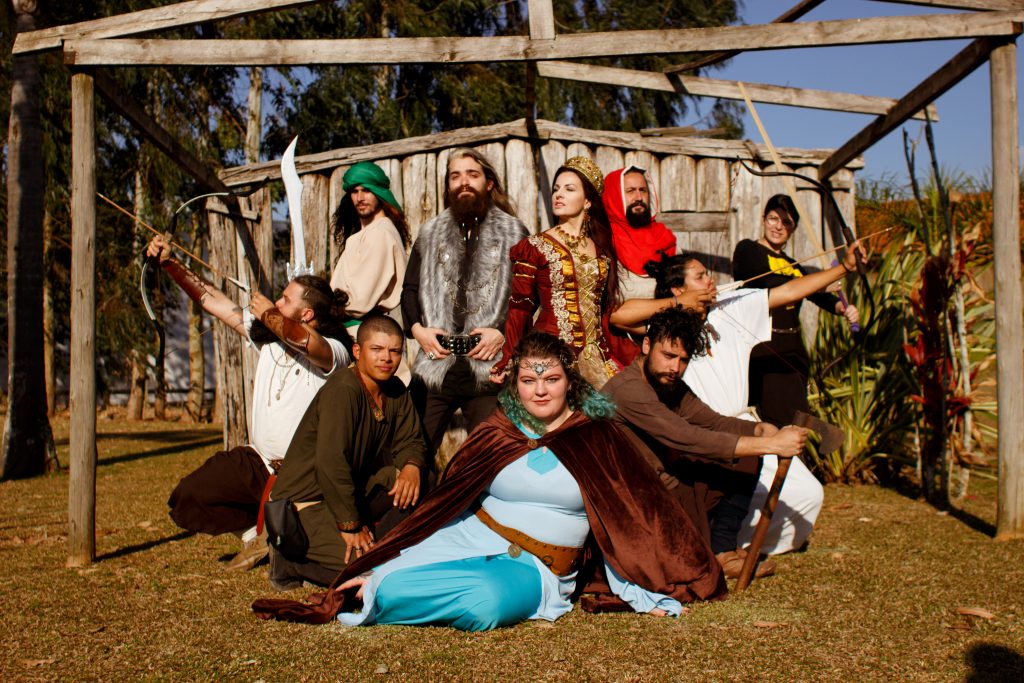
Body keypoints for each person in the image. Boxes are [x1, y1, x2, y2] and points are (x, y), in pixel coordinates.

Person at [252, 331, 726, 630]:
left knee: (485, 603)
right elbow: (453, 495)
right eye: (528, 380)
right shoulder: (499, 431)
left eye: (552, 379)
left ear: (570, 383)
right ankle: (375, 587)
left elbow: (637, 513)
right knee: (384, 571)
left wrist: (644, 584)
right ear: (515, 383)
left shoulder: (597, 437)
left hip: (536, 567)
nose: (540, 390)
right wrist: (410, 545)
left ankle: (380, 593)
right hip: (468, 534)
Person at [611, 240, 864, 555]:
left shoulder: (731, 307)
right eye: (701, 276)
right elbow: (619, 316)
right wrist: (679, 303)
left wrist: (844, 268)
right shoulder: (666, 325)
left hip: (734, 424)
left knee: (808, 495)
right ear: (678, 289)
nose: (710, 281)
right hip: (693, 437)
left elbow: (789, 292)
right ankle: (719, 544)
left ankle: (730, 542)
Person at [151, 235, 353, 572]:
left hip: (306, 478)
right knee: (188, 495)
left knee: (305, 551)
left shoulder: (335, 351)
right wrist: (172, 264)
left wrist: (271, 315)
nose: (276, 301)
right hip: (259, 462)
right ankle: (255, 534)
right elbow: (212, 301)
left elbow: (305, 341)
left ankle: (279, 534)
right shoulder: (268, 339)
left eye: (285, 299)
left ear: (306, 314)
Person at [603, 306, 809, 577]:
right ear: (646, 345)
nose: (675, 367)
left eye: (683, 360)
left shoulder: (670, 385)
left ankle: (722, 550)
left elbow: (711, 421)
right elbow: (685, 437)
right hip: (639, 498)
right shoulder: (627, 390)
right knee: (742, 451)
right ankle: (709, 551)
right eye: (668, 355)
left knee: (746, 454)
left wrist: (760, 430)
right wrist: (771, 445)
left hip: (669, 481)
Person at [266, 314, 427, 589]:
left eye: (394, 351)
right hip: (305, 503)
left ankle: (380, 543)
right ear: (357, 351)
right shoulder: (343, 390)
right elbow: (331, 463)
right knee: (369, 573)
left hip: (352, 490)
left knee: (422, 481)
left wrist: (411, 466)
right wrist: (349, 526)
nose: (386, 358)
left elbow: (412, 439)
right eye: (376, 349)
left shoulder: (396, 390)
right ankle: (290, 561)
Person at [400, 148, 528, 458]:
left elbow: (527, 297)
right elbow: (409, 289)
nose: (463, 182)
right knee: (412, 454)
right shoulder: (429, 233)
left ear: (488, 183)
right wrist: (418, 330)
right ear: (447, 186)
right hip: (434, 364)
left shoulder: (514, 232)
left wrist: (503, 333)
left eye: (472, 174)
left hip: (488, 369)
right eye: (455, 176)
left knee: (493, 457)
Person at [494, 156, 638, 389]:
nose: (558, 194)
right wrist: (510, 357)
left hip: (597, 357)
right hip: (551, 353)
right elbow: (520, 308)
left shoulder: (601, 250)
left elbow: (602, 313)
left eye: (569, 189)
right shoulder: (534, 247)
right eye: (556, 189)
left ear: (588, 201)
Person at [732, 194, 859, 427]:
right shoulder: (748, 251)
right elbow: (768, 283)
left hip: (792, 351)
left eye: (786, 222)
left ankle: (795, 462)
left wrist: (843, 308)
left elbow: (817, 295)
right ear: (763, 219)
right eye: (773, 218)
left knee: (796, 420)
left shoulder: (794, 266)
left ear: (793, 228)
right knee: (770, 421)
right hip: (762, 349)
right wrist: (820, 280)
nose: (778, 226)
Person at [329, 162, 410, 337]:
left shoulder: (380, 233)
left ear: (380, 193)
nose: (359, 198)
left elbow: (359, 301)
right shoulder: (367, 233)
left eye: (366, 190)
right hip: (354, 331)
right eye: (354, 191)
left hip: (362, 334)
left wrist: (324, 308)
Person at [602, 166, 677, 300]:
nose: (639, 197)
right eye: (630, 191)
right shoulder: (603, 240)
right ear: (614, 196)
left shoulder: (664, 236)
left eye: (643, 190)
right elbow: (616, 301)